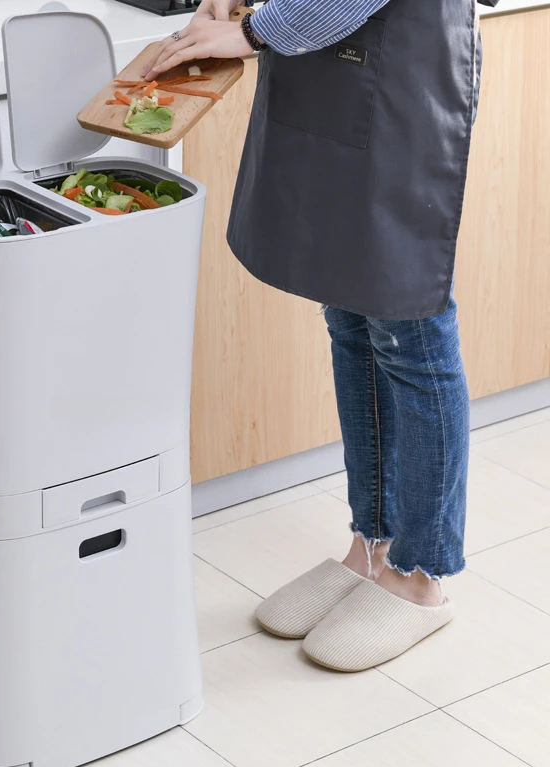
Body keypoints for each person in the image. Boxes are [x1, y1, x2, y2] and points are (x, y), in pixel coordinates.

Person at [145, 0, 494, 672]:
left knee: (409, 331)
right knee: (351, 318)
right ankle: (373, 546)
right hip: (332, 73)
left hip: (400, 86)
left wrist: (250, 31)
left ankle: (420, 577)